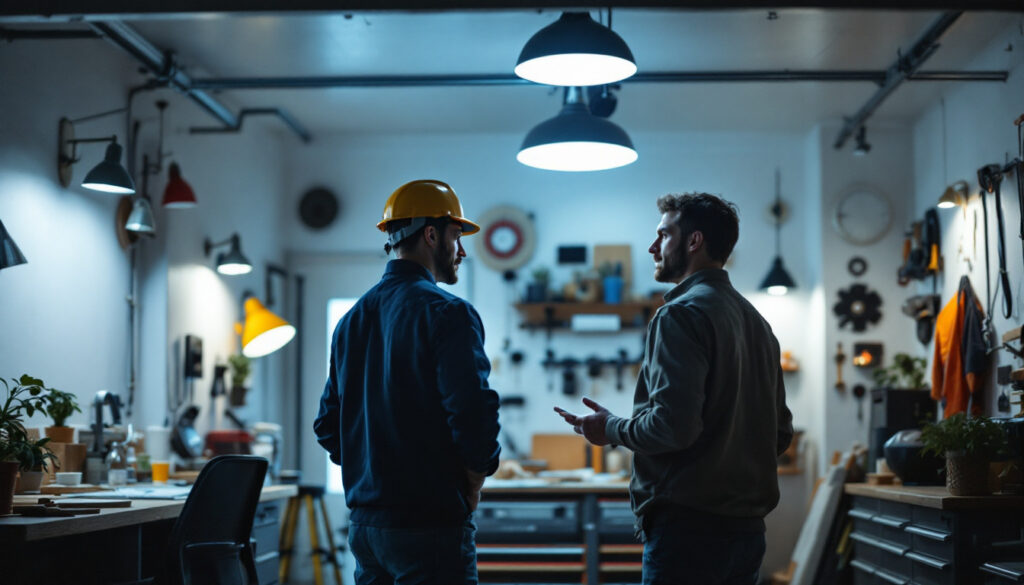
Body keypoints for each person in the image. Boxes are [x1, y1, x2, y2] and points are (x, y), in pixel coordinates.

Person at [555, 192, 793, 585]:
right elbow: (780, 433)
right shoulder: (757, 323)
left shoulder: (679, 314)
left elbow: (672, 427)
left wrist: (610, 428)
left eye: (664, 235)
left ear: (694, 241)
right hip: (747, 533)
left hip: (688, 534)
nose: (653, 247)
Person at [314, 179, 501, 585]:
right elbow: (473, 416)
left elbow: (328, 426)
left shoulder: (351, 321)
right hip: (429, 527)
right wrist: (473, 484)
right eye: (457, 236)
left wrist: (375, 473)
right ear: (431, 235)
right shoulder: (448, 312)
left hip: (366, 530)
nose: (462, 251)